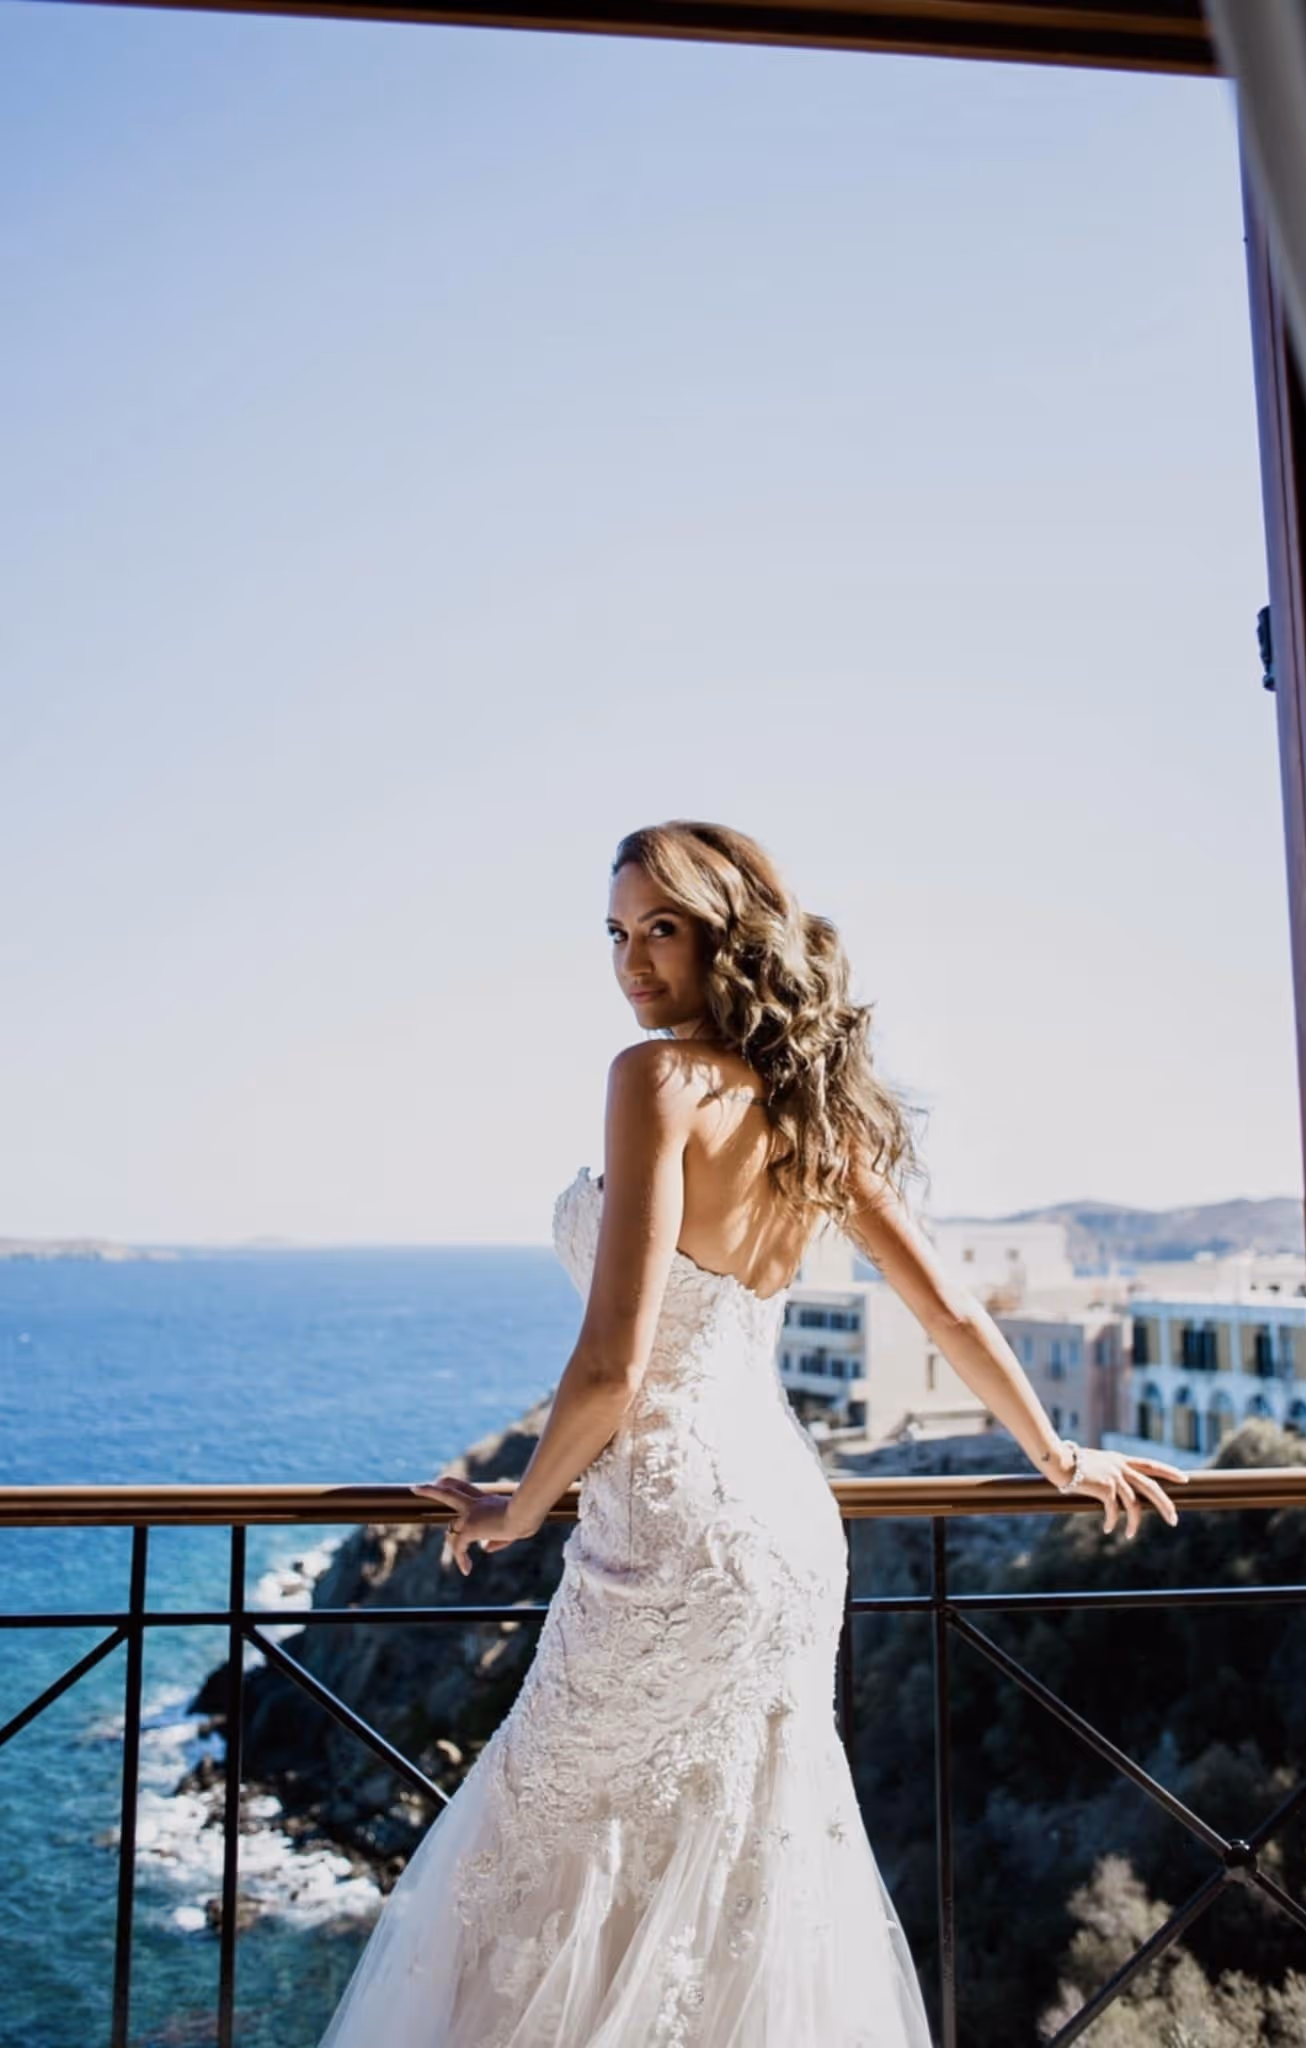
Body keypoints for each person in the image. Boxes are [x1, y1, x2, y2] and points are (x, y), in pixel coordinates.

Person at [316, 818, 1188, 2048]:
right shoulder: (810, 1105)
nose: (631, 959)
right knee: (743, 1860)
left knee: (550, 1836)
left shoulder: (654, 1079)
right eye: (616, 932)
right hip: (782, 1530)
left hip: (670, 1533)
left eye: (660, 928)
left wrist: (515, 1506)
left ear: (727, 935)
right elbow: (941, 1298)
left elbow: (615, 1363)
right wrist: (1055, 1449)